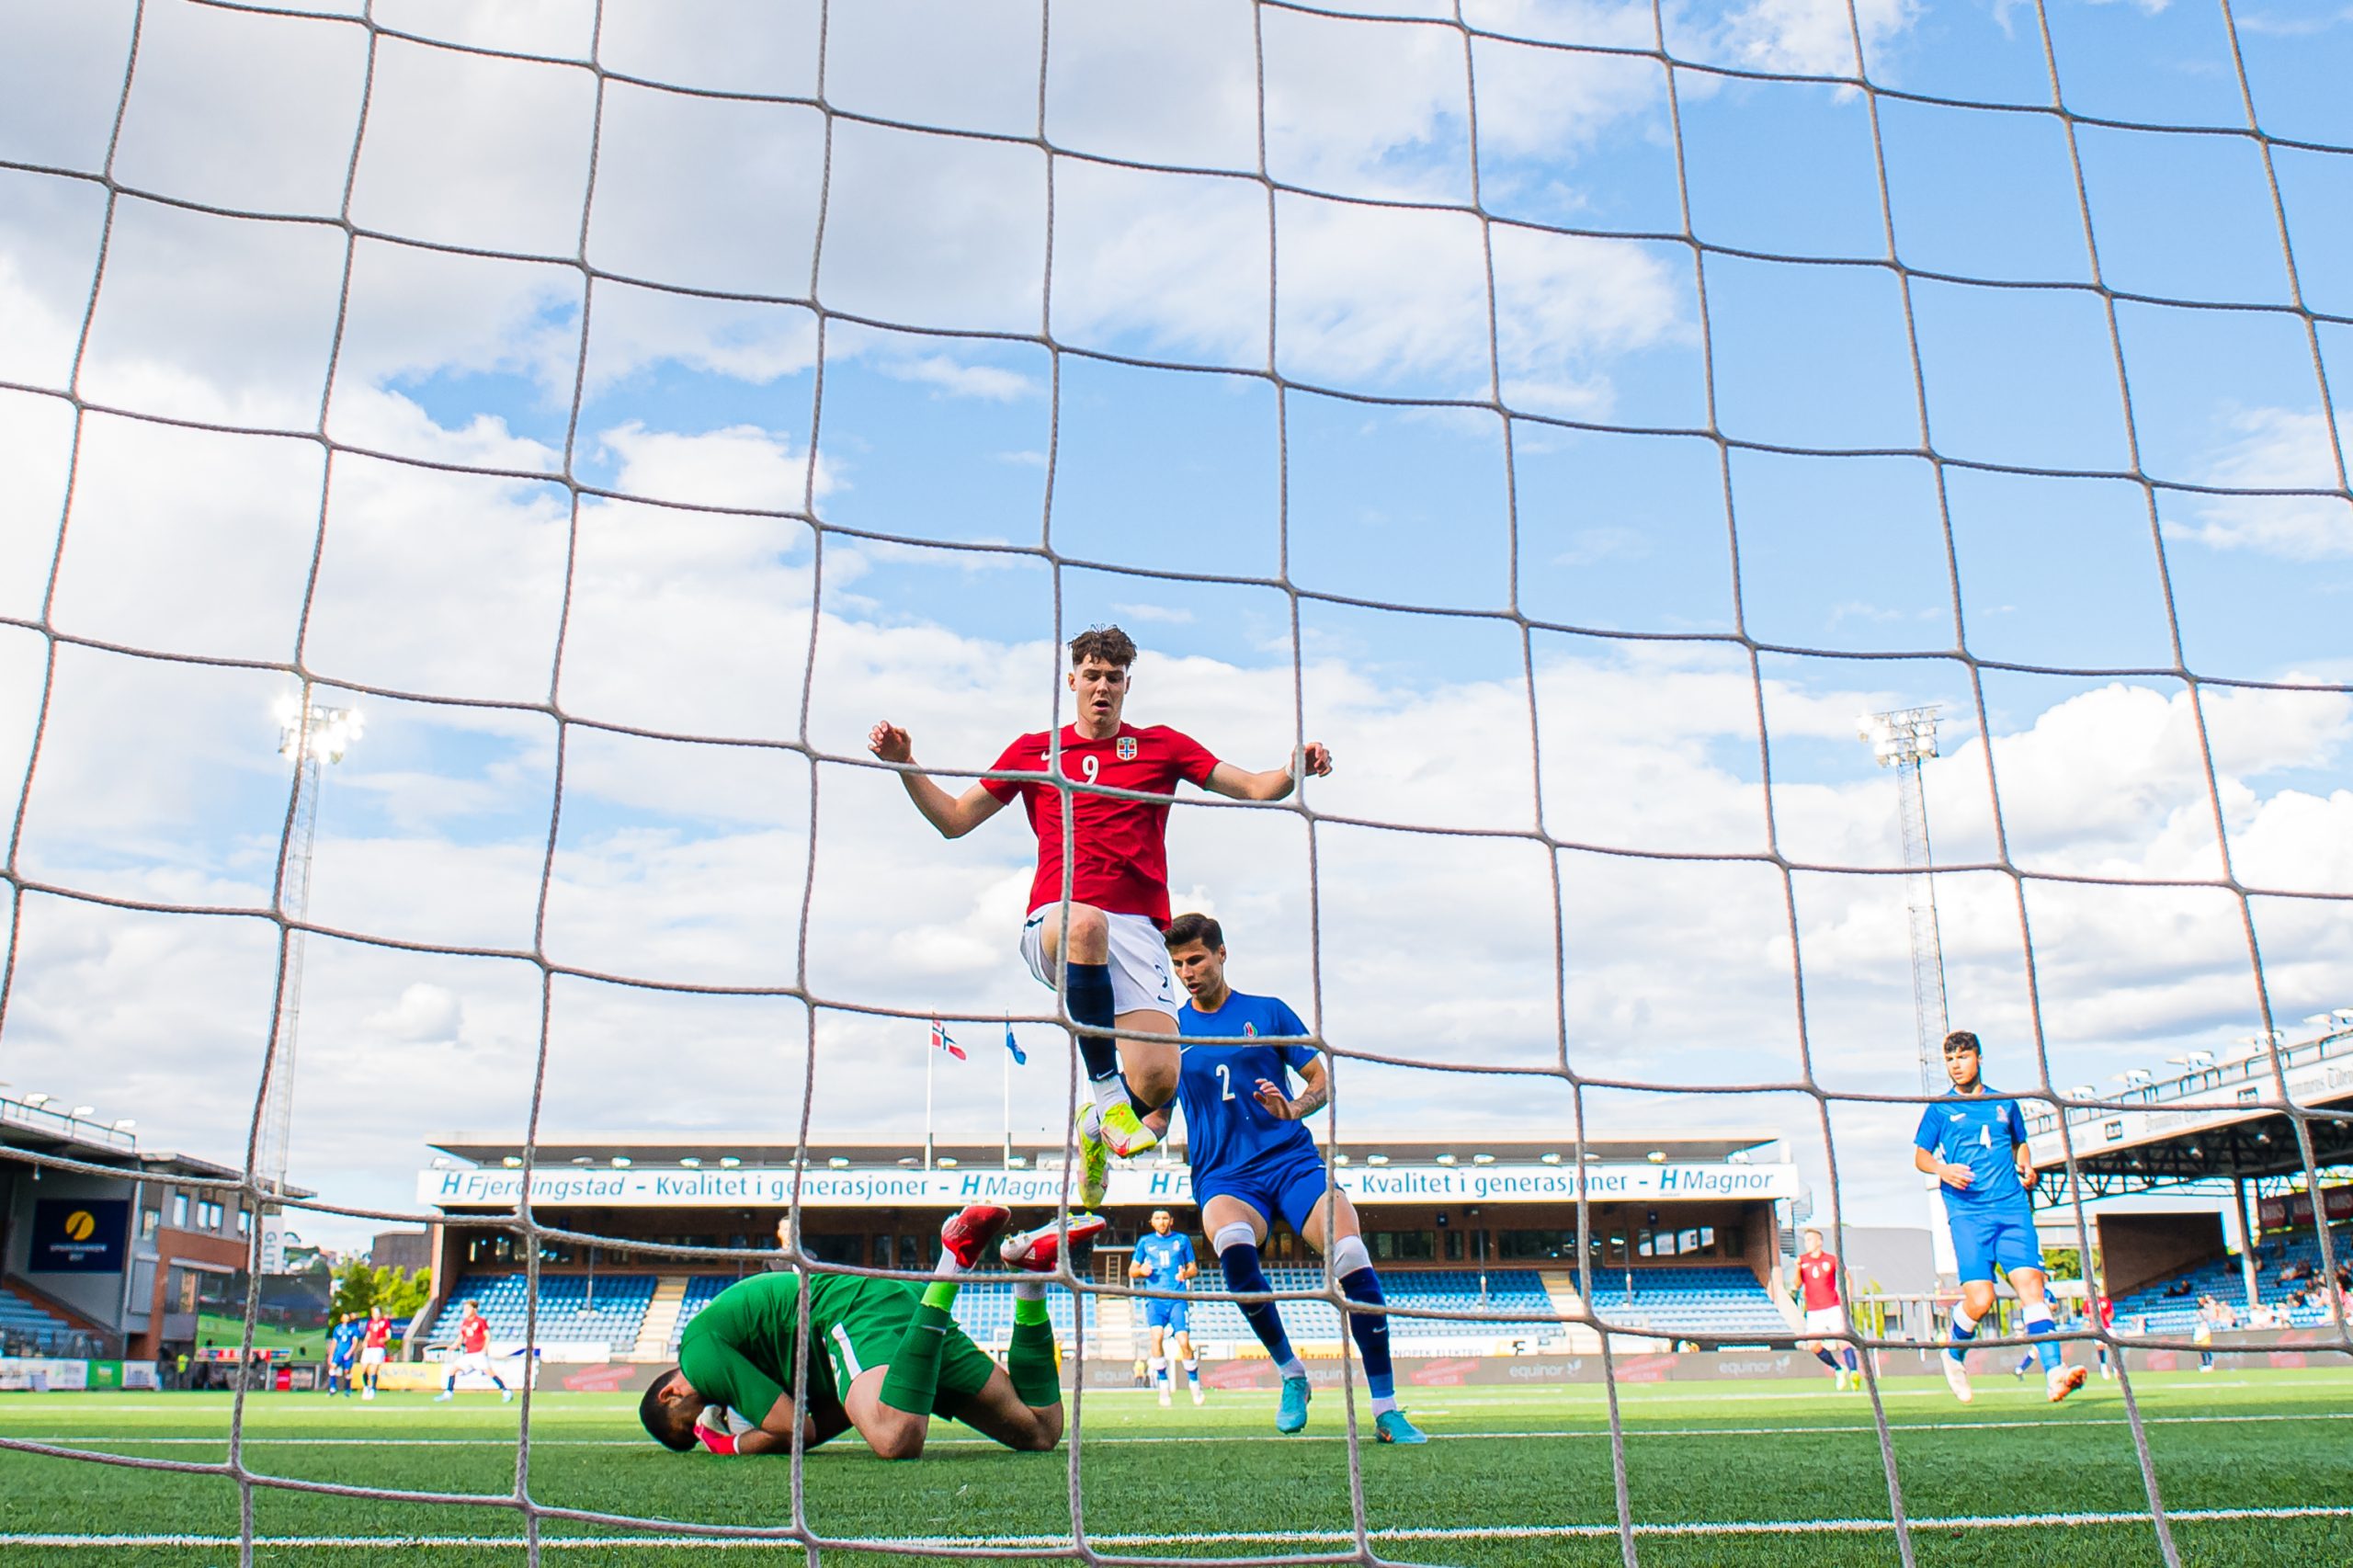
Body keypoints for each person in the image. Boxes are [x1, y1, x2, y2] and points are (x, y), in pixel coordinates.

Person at [869, 624, 1331, 1206]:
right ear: (1072, 681)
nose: (1102, 687)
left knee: (1161, 1080)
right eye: (1091, 676)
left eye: (1113, 678)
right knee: (1086, 924)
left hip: (1138, 932)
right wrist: (906, 762)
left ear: (1127, 685)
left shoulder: (1162, 746)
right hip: (1058, 921)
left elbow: (1258, 788)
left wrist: (1293, 768)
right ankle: (1107, 1093)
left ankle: (1094, 1127)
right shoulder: (1034, 751)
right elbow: (956, 820)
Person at [1162, 912, 1427, 1444]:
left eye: (1195, 960)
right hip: (1224, 1176)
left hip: (1291, 1162)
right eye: (1178, 964)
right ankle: (1292, 1374)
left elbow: (1321, 1080)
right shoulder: (1169, 1030)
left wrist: (1295, 1107)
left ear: (1221, 954)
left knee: (1350, 1254)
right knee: (1235, 1247)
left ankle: (1386, 1409)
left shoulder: (1267, 1011)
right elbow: (1155, 1110)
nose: (1187, 972)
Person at [640, 1203, 1097, 1461]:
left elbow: (792, 1427)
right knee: (1039, 1431)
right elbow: (820, 1419)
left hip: (853, 1311)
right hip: (891, 1307)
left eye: (691, 1426)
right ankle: (1031, 1277)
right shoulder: (740, 1348)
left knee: (895, 1438)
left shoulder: (697, 1353)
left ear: (670, 1394)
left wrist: (728, 1443)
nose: (711, 1415)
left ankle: (951, 1263)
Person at [1914, 1030, 2086, 1406]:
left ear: (1978, 1057)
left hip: (2011, 1208)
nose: (1956, 1065)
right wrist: (1942, 1170)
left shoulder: (2005, 1103)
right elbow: (1921, 1156)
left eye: (1962, 1056)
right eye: (1950, 1059)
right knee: (1981, 1299)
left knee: (2031, 1288)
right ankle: (1953, 1353)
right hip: (1968, 1213)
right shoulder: (1939, 1109)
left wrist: (2025, 1164)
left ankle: (2055, 1373)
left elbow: (2019, 1143)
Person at [1130, 1209, 1204, 1407]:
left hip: (1177, 1297)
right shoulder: (1145, 1243)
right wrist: (1141, 1271)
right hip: (1155, 1299)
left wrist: (1185, 1275)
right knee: (1157, 1336)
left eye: (1165, 1218)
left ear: (1171, 1220)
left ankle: (1194, 1383)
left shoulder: (1182, 1240)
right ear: (1151, 1222)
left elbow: (1193, 1268)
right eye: (1157, 1219)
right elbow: (1132, 1270)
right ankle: (1163, 1385)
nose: (1161, 1222)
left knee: (1183, 1341)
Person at [1790, 1228, 1859, 1390]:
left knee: (1844, 1341)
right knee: (1813, 1345)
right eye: (1806, 1240)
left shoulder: (1831, 1259)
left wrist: (1847, 1299)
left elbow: (1847, 1277)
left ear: (1819, 1242)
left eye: (1810, 1240)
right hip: (1814, 1310)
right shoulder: (1802, 1260)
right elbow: (1797, 1285)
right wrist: (1797, 1268)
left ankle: (1854, 1372)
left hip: (1833, 1307)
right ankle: (1838, 1369)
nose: (1807, 1243)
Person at [435, 1300, 514, 1403]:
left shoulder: (480, 1321)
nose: (466, 1311)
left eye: (468, 1308)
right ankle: (448, 1394)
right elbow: (462, 1336)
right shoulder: (465, 1322)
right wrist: (454, 1345)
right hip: (469, 1354)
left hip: (478, 1354)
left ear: (474, 1309)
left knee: (489, 1372)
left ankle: (506, 1391)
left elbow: (488, 1335)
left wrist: (485, 1349)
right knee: (453, 1370)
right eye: (465, 1309)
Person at [357, 1305, 392, 1401]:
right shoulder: (370, 1323)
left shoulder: (385, 1322)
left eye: (376, 1313)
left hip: (378, 1348)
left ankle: (372, 1389)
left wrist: (383, 1339)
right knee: (363, 1368)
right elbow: (368, 1334)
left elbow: (389, 1335)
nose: (375, 1315)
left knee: (374, 1369)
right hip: (369, 1348)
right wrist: (365, 1341)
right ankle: (366, 1387)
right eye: (373, 1313)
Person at [326, 1312, 361, 1397]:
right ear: (341, 1318)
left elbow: (355, 1342)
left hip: (347, 1354)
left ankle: (348, 1390)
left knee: (347, 1371)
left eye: (347, 1317)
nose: (346, 1319)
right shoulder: (338, 1328)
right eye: (344, 1317)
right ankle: (333, 1388)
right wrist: (331, 1355)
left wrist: (350, 1352)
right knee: (332, 1368)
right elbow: (334, 1342)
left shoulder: (353, 1328)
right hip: (338, 1353)